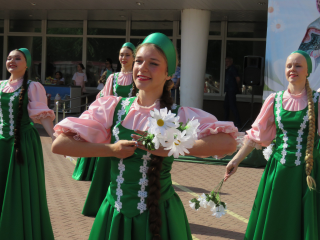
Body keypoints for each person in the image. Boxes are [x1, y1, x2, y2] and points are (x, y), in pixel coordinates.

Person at [52, 33, 239, 240]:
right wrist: (111, 150)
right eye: (139, 61)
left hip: (163, 216)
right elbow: (60, 144)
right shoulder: (112, 107)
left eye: (153, 63)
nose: (142, 67)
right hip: (115, 214)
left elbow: (229, 142)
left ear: (168, 73)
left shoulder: (180, 114)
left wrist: (172, 146)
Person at [224, 50, 320, 240]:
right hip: (279, 172)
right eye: (289, 65)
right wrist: (236, 160)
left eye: (298, 65)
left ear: (308, 71)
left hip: (308, 173)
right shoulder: (274, 100)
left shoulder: (317, 101)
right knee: (276, 219)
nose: (292, 69)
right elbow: (255, 136)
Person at [72, 42, 137, 217]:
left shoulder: (138, 76)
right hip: (113, 125)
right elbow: (104, 101)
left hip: (132, 125)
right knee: (106, 163)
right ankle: (102, 205)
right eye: (121, 54)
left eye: (127, 55)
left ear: (134, 57)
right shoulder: (112, 78)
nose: (123, 58)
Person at [0, 48, 55, 239]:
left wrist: (54, 137)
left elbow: (43, 115)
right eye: (9, 58)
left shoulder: (33, 86)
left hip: (22, 144)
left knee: (20, 189)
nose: (11, 61)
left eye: (17, 58)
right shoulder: (0, 86)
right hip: (2, 144)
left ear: (27, 63)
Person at [224, 57, 241, 128]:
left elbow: (238, 78)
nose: (226, 63)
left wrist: (237, 87)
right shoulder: (228, 69)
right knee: (226, 106)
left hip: (231, 90)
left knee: (233, 106)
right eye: (225, 61)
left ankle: (238, 122)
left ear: (231, 61)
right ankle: (225, 121)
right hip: (228, 90)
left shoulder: (233, 69)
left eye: (228, 61)